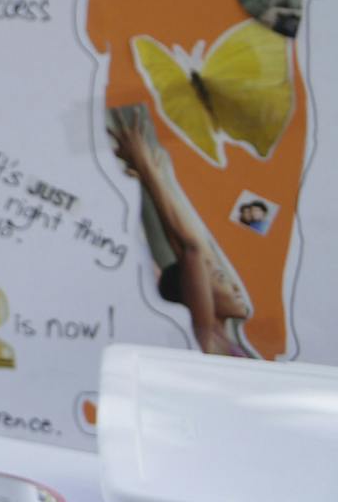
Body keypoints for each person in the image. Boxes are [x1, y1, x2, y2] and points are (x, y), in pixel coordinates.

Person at [106, 106, 258, 358]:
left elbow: (193, 249)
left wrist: (153, 178)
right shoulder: (206, 340)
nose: (236, 288)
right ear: (195, 295)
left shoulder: (223, 339)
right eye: (222, 279)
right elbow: (192, 249)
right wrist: (149, 171)